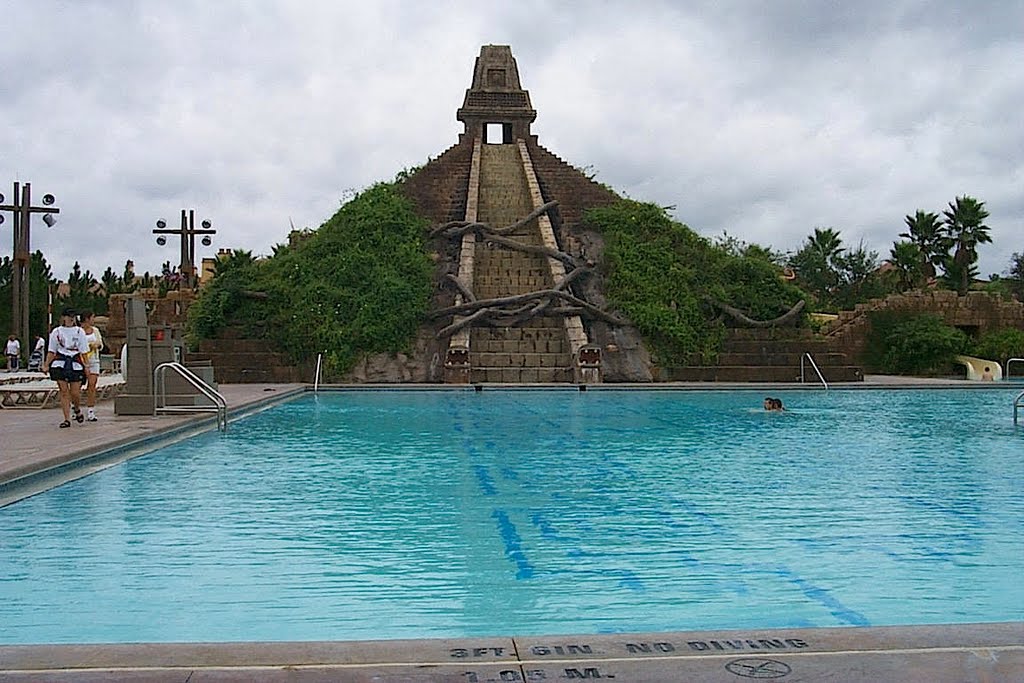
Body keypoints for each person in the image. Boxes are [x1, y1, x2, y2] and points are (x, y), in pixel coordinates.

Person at [42, 308, 89, 428]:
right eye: (68, 316)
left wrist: (87, 366)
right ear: (64, 318)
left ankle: (77, 408)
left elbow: (84, 351)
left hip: (75, 363)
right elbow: (52, 350)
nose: (71, 319)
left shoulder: (79, 332)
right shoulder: (56, 332)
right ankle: (66, 418)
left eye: (73, 316)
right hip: (60, 362)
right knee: (63, 391)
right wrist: (46, 364)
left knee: (75, 393)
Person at [79, 310, 104, 421]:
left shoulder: (95, 331)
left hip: (93, 360)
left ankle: (90, 410)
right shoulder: (78, 331)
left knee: (92, 385)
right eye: (92, 317)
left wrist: (96, 345)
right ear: (87, 319)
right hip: (80, 361)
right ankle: (76, 408)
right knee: (77, 386)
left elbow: (100, 344)